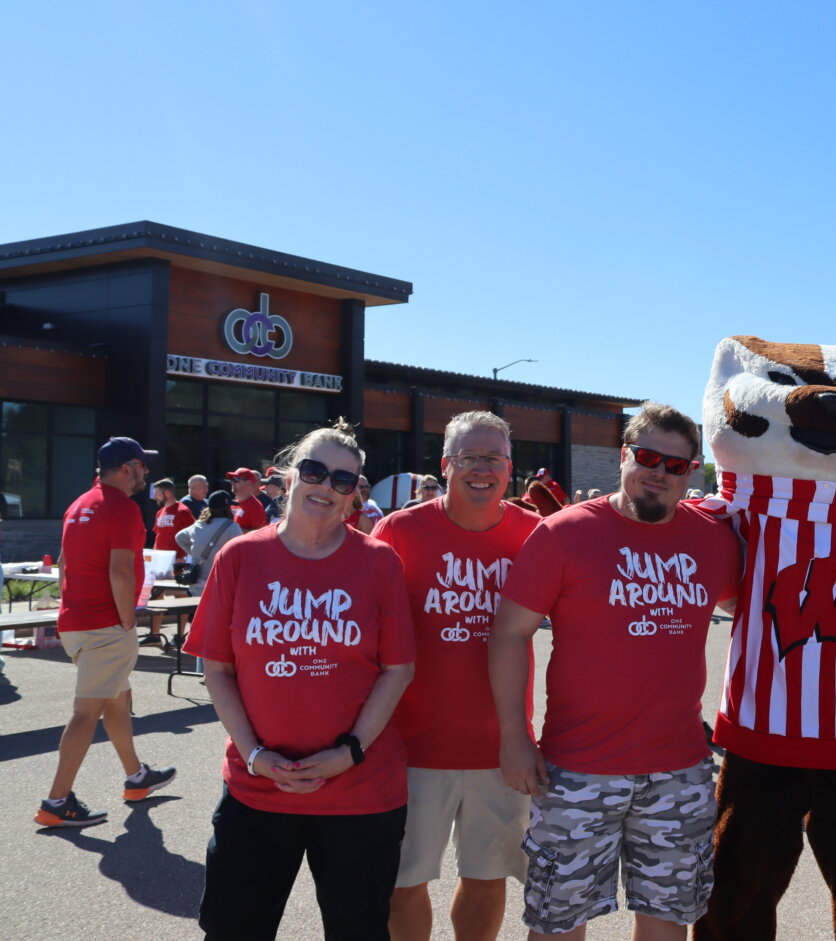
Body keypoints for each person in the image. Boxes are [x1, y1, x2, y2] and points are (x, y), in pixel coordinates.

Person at [491, 403, 740, 940]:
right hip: (578, 770)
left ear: (692, 472)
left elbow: (759, 609)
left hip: (678, 771)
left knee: (670, 920)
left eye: (676, 465)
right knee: (559, 924)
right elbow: (509, 633)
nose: (660, 472)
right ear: (624, 456)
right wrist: (514, 737)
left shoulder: (713, 540)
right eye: (648, 457)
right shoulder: (564, 533)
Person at [185, 419, 416, 939]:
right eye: (315, 471)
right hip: (257, 789)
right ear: (288, 476)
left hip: (361, 792)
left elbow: (398, 669)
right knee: (232, 929)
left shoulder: (379, 562)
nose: (326, 487)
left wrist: (350, 751)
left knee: (357, 930)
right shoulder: (240, 557)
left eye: (343, 481)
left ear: (354, 496)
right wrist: (254, 755)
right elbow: (217, 669)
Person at [376, 413, 541, 941]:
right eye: (469, 457)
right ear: (445, 465)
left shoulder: (535, 535)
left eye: (493, 458)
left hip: (500, 749)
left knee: (488, 880)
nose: (481, 469)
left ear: (509, 468)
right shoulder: (399, 531)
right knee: (402, 884)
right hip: (409, 746)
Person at [35, 437, 177, 828]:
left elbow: (63, 565)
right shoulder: (124, 508)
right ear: (127, 468)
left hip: (76, 623)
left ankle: (136, 777)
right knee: (86, 713)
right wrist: (128, 619)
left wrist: (74, 609)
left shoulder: (78, 504)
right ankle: (56, 802)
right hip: (106, 625)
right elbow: (120, 569)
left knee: (118, 695)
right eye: (142, 466)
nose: (146, 473)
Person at [147, 477, 197, 644]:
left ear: (167, 493)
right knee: (156, 595)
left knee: (181, 597)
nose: (155, 497)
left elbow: (192, 535)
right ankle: (154, 635)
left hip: (178, 561)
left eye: (157, 493)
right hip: (160, 563)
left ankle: (181, 635)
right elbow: (158, 536)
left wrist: (186, 558)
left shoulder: (182, 511)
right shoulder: (160, 512)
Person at [173, 490, 242, 598]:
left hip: (195, 584)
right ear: (227, 508)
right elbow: (241, 553)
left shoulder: (198, 524)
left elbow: (179, 537)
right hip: (218, 584)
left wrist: (195, 553)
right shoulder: (232, 527)